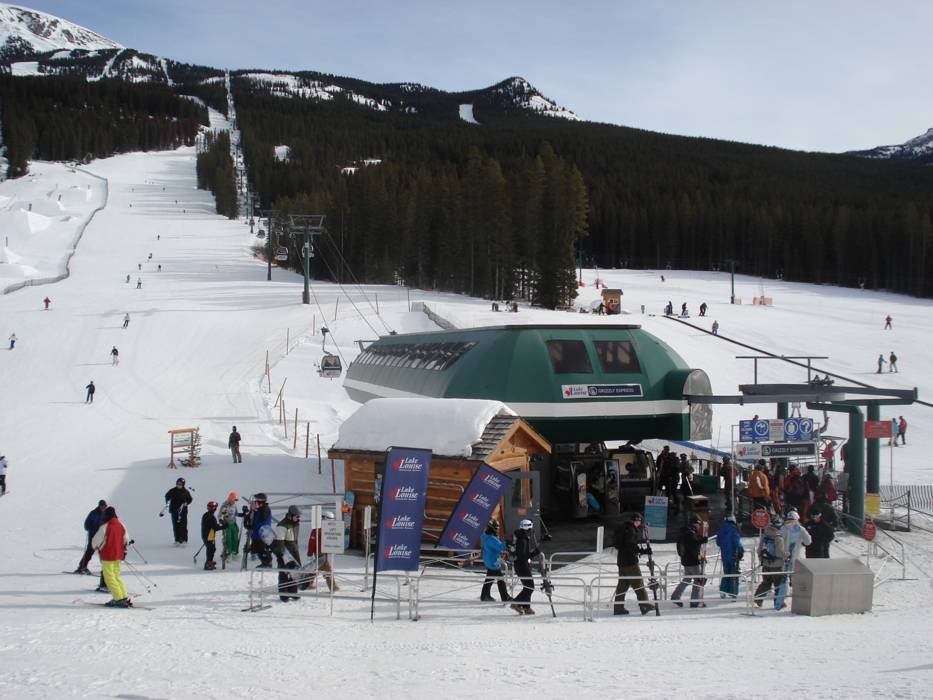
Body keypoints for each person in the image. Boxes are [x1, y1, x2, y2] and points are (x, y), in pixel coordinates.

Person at [612, 512, 653, 615]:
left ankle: (618, 607)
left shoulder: (624, 528)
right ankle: (644, 604)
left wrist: (639, 550)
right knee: (638, 583)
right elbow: (630, 545)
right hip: (630, 562)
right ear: (636, 520)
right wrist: (642, 551)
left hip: (621, 561)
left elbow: (625, 545)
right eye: (639, 521)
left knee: (623, 585)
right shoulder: (631, 530)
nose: (640, 523)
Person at [91, 506, 132, 607]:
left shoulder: (105, 526)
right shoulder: (121, 525)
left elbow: (95, 541)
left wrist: (95, 546)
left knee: (109, 577)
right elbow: (126, 539)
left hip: (108, 555)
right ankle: (123, 596)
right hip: (118, 555)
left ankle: (118, 598)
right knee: (117, 576)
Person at [775, 510, 811, 609]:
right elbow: (808, 542)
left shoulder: (783, 528)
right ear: (797, 519)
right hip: (796, 559)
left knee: (783, 580)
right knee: (797, 580)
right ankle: (798, 601)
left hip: (784, 558)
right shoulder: (800, 528)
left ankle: (779, 602)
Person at [671, 516, 709, 608]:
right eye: (698, 524)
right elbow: (693, 546)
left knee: (687, 579)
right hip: (692, 561)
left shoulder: (685, 532)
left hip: (686, 560)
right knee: (698, 580)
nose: (699, 526)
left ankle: (675, 596)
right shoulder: (690, 533)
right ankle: (694, 601)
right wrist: (701, 541)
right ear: (695, 524)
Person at [753, 515, 787, 609]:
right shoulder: (778, 537)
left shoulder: (765, 535)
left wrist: (762, 560)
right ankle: (779, 602)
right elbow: (780, 553)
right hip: (777, 565)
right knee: (778, 584)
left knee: (766, 583)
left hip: (766, 564)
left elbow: (759, 550)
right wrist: (787, 555)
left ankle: (757, 599)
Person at [305, 511, 339, 591]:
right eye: (330, 519)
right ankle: (332, 586)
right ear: (324, 519)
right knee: (327, 568)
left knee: (317, 567)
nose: (331, 521)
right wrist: (309, 553)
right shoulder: (317, 530)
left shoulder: (330, 529)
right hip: (319, 552)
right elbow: (312, 542)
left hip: (326, 551)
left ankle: (308, 583)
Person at [510, 519, 538, 615]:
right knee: (530, 587)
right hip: (522, 565)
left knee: (528, 586)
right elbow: (522, 556)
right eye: (530, 529)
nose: (531, 531)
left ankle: (526, 607)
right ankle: (516, 603)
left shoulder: (521, 537)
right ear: (527, 529)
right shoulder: (522, 540)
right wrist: (534, 553)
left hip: (521, 565)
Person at [480, 519, 512, 602]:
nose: (497, 530)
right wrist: (508, 542)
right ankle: (505, 597)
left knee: (489, 578)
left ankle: (484, 596)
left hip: (489, 560)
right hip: (493, 561)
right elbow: (500, 547)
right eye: (496, 528)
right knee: (500, 579)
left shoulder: (487, 536)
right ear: (492, 528)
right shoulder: (491, 538)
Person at [75, 499, 108, 574]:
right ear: (99, 506)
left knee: (103, 552)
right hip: (93, 536)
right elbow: (86, 525)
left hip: (102, 536)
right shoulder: (93, 513)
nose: (103, 507)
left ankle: (105, 569)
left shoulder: (106, 514)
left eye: (105, 506)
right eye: (102, 506)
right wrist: (93, 529)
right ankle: (82, 567)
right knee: (90, 551)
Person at [717, 514, 744, 598]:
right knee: (734, 573)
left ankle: (723, 590)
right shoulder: (733, 529)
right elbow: (736, 541)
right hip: (733, 555)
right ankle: (733, 592)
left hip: (724, 555)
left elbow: (718, 542)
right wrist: (741, 549)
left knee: (727, 573)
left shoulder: (721, 529)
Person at [164, 477, 193, 544]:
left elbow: (190, 499)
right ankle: (177, 540)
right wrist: (168, 501)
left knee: (183, 525)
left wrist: (186, 503)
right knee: (176, 526)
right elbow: (167, 496)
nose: (179, 485)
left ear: (183, 485)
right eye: (178, 484)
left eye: (180, 484)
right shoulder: (172, 491)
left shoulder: (185, 492)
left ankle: (184, 540)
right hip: (174, 511)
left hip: (183, 511)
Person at [250, 492, 273, 568]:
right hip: (256, 533)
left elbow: (263, 517)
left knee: (262, 548)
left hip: (263, 534)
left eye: (257, 501)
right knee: (256, 548)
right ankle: (264, 562)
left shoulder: (265, 509)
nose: (255, 502)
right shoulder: (258, 509)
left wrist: (256, 509)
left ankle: (267, 562)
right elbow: (253, 520)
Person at [218, 492, 240, 560]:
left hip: (233, 524)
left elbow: (236, 513)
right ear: (230, 499)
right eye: (234, 500)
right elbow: (220, 515)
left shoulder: (234, 505)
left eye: (236, 500)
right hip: (227, 525)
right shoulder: (225, 505)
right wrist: (221, 521)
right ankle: (228, 553)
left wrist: (242, 514)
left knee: (235, 539)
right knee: (228, 539)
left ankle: (234, 553)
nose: (235, 502)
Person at [201, 501, 221, 570]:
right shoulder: (210, 516)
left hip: (209, 535)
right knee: (211, 549)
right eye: (214, 507)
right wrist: (224, 526)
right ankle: (208, 563)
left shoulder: (207, 515)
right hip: (208, 536)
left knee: (212, 548)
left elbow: (213, 526)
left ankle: (209, 561)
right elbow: (215, 527)